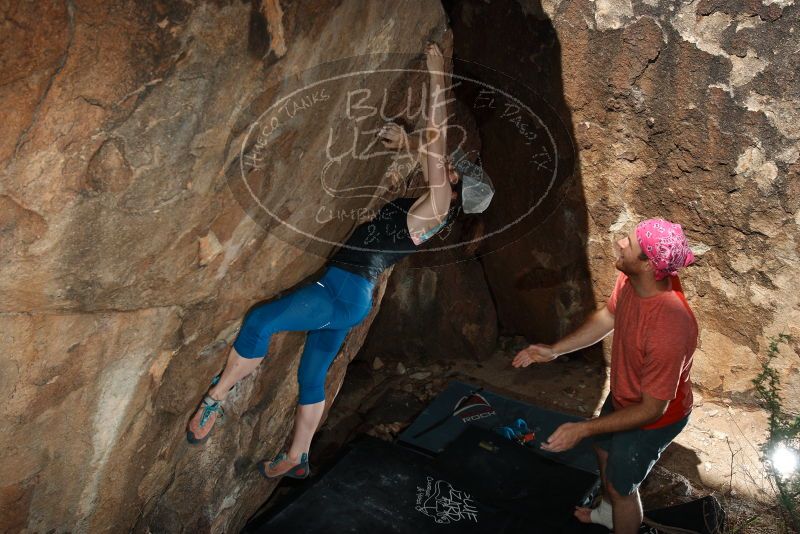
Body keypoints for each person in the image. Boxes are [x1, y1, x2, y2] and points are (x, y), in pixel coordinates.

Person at [186, 43, 489, 480]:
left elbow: (436, 140)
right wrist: (405, 141)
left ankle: (215, 399)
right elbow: (430, 155)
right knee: (311, 377)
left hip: (341, 289)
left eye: (456, 171)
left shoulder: (438, 208)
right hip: (351, 299)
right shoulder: (434, 209)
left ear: (457, 186)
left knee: (260, 323)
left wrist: (440, 74)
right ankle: (298, 456)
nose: (450, 168)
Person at [512, 219, 697, 534]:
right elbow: (610, 316)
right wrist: (555, 350)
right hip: (627, 394)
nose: (621, 243)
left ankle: (620, 513)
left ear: (650, 265)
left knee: (621, 487)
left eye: (630, 242)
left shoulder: (670, 325)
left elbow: (653, 409)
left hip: (653, 416)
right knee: (602, 448)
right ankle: (607, 513)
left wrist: (582, 428)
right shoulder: (632, 280)